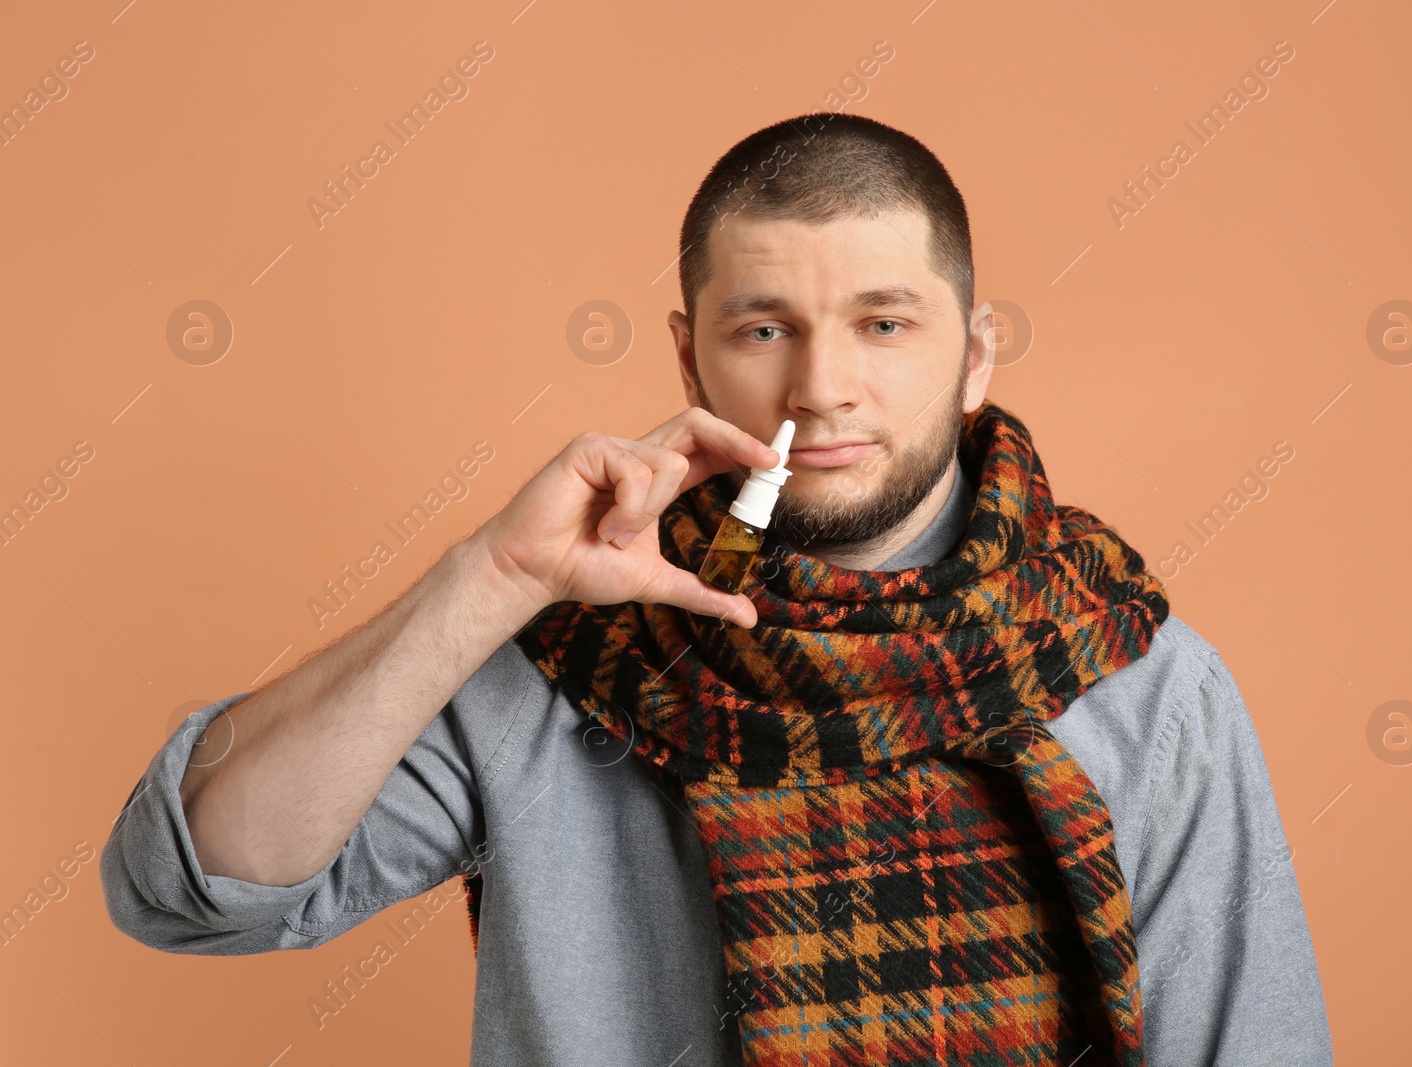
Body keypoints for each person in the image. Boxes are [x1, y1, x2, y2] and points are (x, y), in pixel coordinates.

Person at [101, 113, 1334, 1066]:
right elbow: (192, 884)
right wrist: (494, 578)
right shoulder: (569, 653)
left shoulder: (1136, 675)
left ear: (976, 354)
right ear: (689, 354)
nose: (821, 386)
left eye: (885, 323)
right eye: (762, 329)